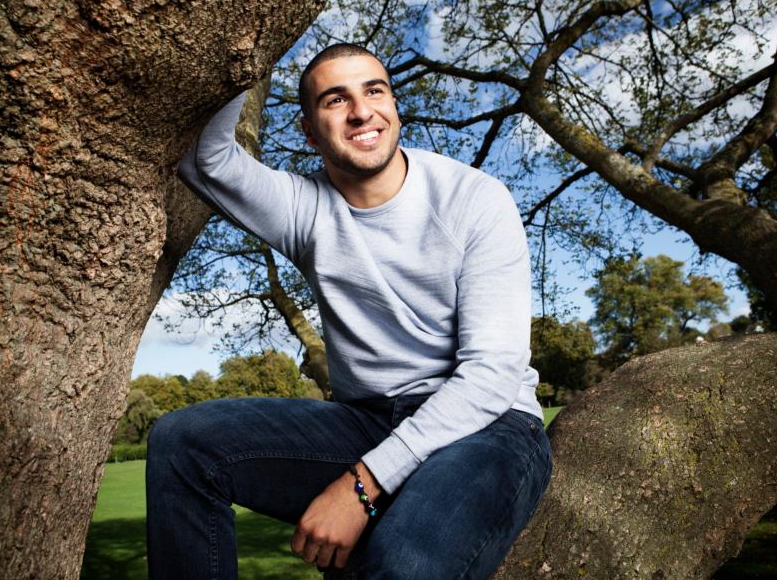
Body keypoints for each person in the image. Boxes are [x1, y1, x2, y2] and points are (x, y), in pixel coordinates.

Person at [146, 43, 552, 579]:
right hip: (364, 424)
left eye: (374, 91)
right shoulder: (304, 209)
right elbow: (206, 158)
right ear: (310, 131)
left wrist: (360, 488)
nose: (361, 111)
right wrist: (249, 44)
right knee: (183, 442)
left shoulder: (473, 198)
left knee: (403, 562)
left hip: (488, 426)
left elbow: (492, 374)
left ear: (394, 109)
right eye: (336, 100)